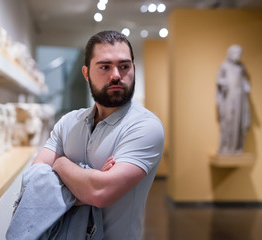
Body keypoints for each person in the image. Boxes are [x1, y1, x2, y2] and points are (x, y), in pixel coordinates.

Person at [30, 30, 164, 239]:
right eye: (105, 67)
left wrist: (61, 164)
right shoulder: (68, 122)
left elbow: (100, 193)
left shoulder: (145, 126)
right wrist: (87, 184)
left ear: (133, 69)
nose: (116, 75)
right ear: (86, 73)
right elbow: (34, 182)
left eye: (124, 66)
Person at [216, 44, 251, 154]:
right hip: (229, 98)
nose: (238, 56)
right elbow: (218, 80)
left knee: (239, 121)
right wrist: (225, 83)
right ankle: (227, 146)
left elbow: (244, 80)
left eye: (239, 54)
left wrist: (246, 86)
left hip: (240, 98)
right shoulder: (224, 66)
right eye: (236, 53)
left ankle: (237, 147)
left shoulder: (241, 67)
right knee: (228, 121)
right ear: (230, 54)